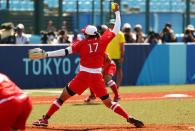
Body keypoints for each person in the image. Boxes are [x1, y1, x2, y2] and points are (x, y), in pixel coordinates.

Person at [31, 3, 144, 128]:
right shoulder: (102, 41)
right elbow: (116, 29)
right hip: (96, 76)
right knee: (109, 103)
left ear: (87, 34)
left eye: (85, 33)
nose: (84, 34)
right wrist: (117, 13)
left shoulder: (81, 43)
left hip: (83, 75)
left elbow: (65, 52)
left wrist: (46, 54)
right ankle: (128, 117)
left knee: (62, 98)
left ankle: (45, 119)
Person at [106, 19, 125, 88]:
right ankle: (109, 86)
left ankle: (117, 87)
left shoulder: (120, 34)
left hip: (117, 56)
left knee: (119, 71)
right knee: (104, 72)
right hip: (108, 56)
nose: (112, 26)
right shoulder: (107, 33)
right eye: (111, 24)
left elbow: (122, 46)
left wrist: (122, 57)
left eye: (113, 24)